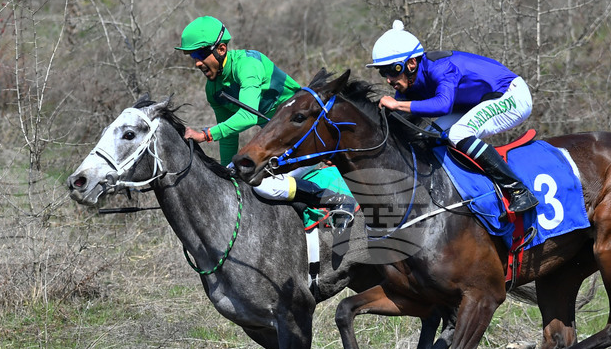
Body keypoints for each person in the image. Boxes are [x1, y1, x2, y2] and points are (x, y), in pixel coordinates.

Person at [175, 16, 355, 227]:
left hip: (305, 139)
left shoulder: (248, 66)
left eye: (200, 54)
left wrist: (205, 135)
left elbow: (248, 116)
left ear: (221, 49)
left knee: (260, 185)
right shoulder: (213, 89)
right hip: (279, 145)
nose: (197, 62)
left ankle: (338, 198)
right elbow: (229, 138)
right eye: (193, 56)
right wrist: (225, 173)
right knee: (236, 178)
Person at [366, 20, 539, 213]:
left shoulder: (442, 67)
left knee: (458, 133)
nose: (388, 79)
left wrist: (397, 105)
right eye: (383, 72)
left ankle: (518, 190)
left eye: (392, 70)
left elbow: (443, 105)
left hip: (510, 95)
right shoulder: (408, 83)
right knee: (426, 137)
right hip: (474, 103)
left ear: (412, 63)